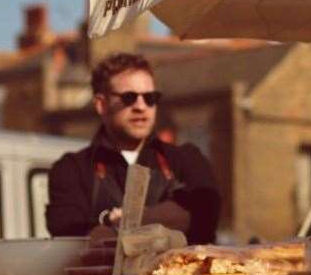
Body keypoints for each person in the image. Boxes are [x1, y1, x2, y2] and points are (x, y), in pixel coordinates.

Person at [46, 53, 222, 246]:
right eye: (129, 98)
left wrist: (125, 222)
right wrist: (164, 218)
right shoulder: (72, 169)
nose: (141, 106)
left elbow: (206, 215)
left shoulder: (186, 159)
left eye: (150, 98)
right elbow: (71, 235)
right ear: (101, 104)